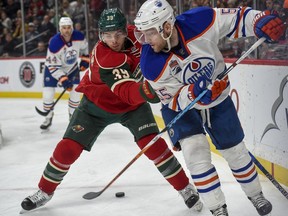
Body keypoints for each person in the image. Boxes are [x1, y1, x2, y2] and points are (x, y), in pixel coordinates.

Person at [20, 8, 203, 213]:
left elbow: (166, 38)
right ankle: (44, 191)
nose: (113, 40)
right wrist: (155, 89)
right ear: (100, 35)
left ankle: (185, 188)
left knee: (153, 145)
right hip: (96, 106)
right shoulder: (105, 56)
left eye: (118, 34)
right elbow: (127, 92)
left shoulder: (139, 34)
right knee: (67, 148)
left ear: (126, 30)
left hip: (132, 108)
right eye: (107, 35)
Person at [134, 0, 286, 215]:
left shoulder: (199, 21)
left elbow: (237, 18)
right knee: (195, 153)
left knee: (236, 151)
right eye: (143, 34)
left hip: (218, 98)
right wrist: (195, 94)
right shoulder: (150, 63)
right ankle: (217, 209)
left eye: (150, 33)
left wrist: (260, 21)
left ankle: (256, 195)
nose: (146, 41)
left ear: (167, 27)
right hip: (181, 109)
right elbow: (172, 100)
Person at [40, 16, 89, 130]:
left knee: (76, 93)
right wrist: (63, 79)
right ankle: (48, 117)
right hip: (52, 69)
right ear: (60, 29)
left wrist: (85, 60)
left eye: (68, 28)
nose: (66, 30)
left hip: (71, 69)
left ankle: (73, 118)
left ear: (72, 27)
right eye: (64, 28)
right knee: (48, 95)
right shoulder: (54, 43)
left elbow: (84, 49)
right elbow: (53, 66)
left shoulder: (79, 37)